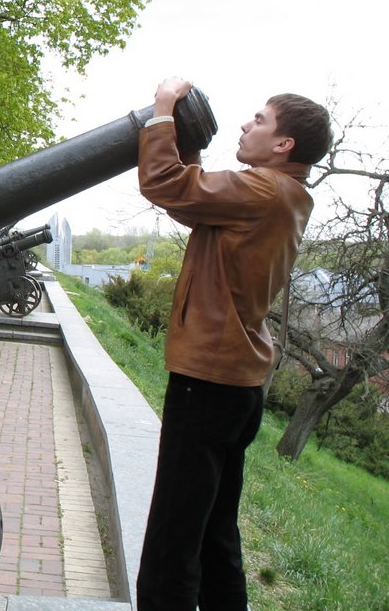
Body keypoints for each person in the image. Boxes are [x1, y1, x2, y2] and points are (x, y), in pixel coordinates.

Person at [135, 77, 332, 611]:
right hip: (236, 388)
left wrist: (161, 114)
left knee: (172, 545)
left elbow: (164, 186)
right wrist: (190, 144)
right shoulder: (280, 195)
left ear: (284, 144)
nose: (247, 125)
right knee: (215, 536)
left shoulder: (261, 190)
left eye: (260, 120)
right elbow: (190, 200)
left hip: (207, 385)